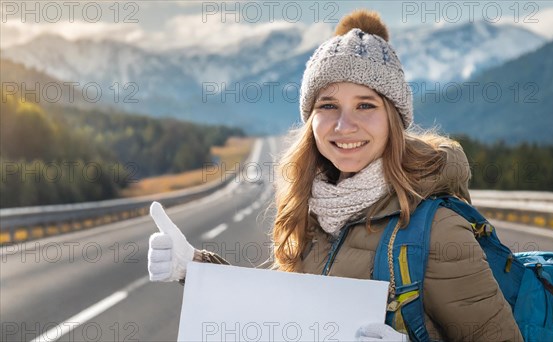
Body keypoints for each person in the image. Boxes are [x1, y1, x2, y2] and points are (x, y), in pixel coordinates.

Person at [148, 9, 523, 342]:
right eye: (328, 105)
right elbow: (279, 321)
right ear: (311, 121)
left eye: (365, 105)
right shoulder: (313, 213)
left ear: (393, 120)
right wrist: (194, 269)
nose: (345, 125)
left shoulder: (438, 229)